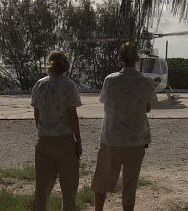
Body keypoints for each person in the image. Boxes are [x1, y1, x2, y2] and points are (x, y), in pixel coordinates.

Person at [91, 42, 158, 211]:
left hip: (111, 138)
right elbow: (148, 108)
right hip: (136, 139)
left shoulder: (110, 80)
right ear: (137, 59)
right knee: (130, 183)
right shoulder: (146, 81)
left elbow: (104, 101)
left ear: (120, 59)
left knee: (102, 179)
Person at [31, 51, 82, 211]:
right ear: (65, 66)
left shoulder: (40, 84)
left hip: (44, 140)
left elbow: (36, 113)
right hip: (64, 140)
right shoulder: (69, 85)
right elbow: (72, 115)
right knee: (69, 191)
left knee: (42, 190)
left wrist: (42, 131)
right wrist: (78, 140)